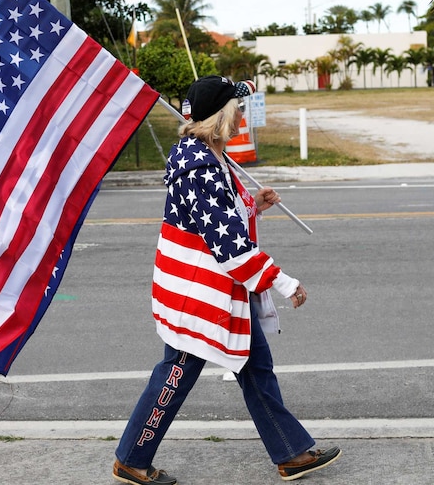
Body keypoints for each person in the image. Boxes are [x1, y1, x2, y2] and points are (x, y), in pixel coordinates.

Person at [113, 76, 341, 484]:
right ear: (219, 116)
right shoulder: (199, 166)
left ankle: (290, 453)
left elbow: (219, 218)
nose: (241, 113)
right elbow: (230, 246)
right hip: (199, 294)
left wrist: (254, 206)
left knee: (255, 368)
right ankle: (131, 459)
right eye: (237, 106)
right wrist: (284, 282)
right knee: (176, 373)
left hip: (213, 291)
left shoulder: (206, 156)